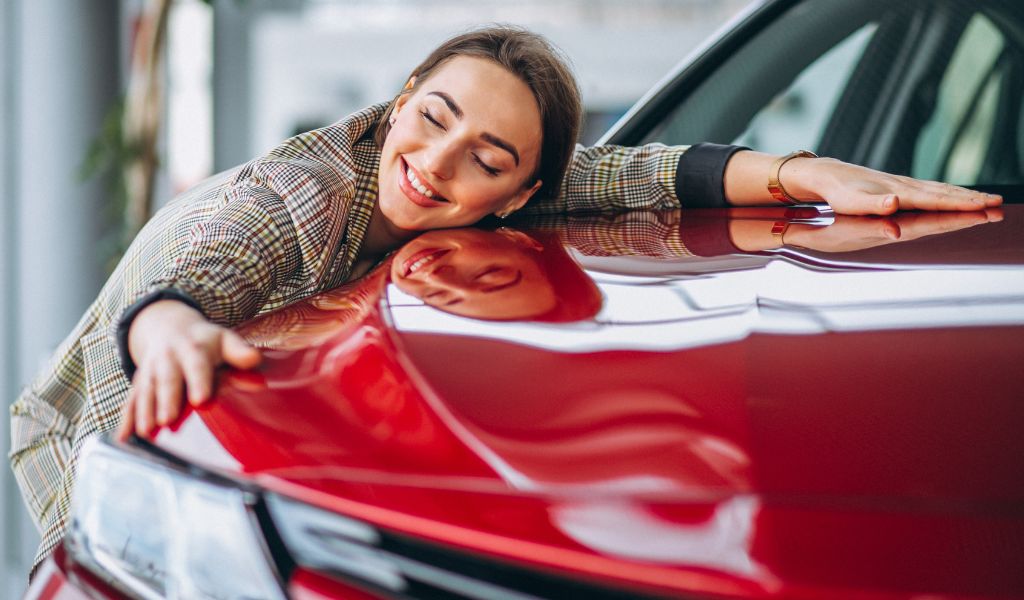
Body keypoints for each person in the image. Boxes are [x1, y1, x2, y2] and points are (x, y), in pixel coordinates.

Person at [9, 25, 1002, 575]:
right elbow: (204, 263)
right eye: (431, 119)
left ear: (525, 191)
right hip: (96, 425)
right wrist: (171, 324)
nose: (437, 164)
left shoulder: (533, 192)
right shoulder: (294, 195)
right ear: (403, 99)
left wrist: (801, 172)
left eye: (486, 158)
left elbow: (637, 176)